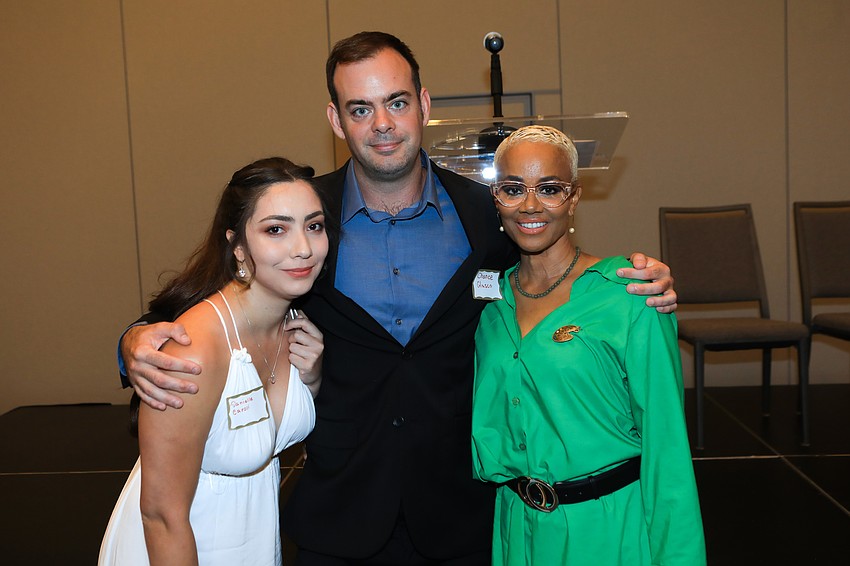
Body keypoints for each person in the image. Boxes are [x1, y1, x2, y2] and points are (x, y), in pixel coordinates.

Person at [120, 32, 679, 565]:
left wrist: (629, 279)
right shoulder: (304, 218)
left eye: (396, 102)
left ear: (424, 105)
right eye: (360, 109)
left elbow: (551, 271)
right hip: (341, 518)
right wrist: (135, 342)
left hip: (462, 518)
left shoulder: (487, 214)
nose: (382, 124)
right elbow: (204, 302)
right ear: (336, 120)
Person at [471, 125, 705, 565]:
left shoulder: (630, 296)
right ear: (496, 198)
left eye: (550, 189)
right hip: (515, 530)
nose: (530, 205)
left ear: (574, 197)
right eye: (513, 189)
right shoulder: (488, 304)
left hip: (608, 531)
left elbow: (667, 449)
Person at [100, 157, 333, 565]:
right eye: (276, 229)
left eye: (313, 226)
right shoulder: (193, 350)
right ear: (237, 246)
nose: (303, 248)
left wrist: (310, 380)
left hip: (251, 541)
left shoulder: (296, 325)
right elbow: (162, 516)